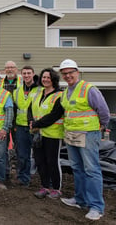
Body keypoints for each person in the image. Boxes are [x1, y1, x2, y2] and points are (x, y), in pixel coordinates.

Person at [32, 59, 110, 221]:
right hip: (71, 134)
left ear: (77, 72)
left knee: (91, 169)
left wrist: (102, 125)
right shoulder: (67, 92)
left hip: (88, 134)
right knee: (77, 168)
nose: (68, 76)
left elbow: (103, 110)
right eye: (65, 73)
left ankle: (96, 206)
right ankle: (80, 200)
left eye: (70, 73)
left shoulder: (88, 89)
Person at [29, 68, 64, 200]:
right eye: (43, 77)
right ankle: (44, 186)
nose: (45, 80)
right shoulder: (39, 94)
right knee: (40, 161)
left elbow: (54, 115)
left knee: (52, 161)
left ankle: (56, 188)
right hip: (38, 134)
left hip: (53, 134)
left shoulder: (59, 95)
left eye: (48, 77)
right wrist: (31, 122)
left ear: (53, 79)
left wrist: (37, 124)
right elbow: (30, 109)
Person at [13, 66, 39, 187]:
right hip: (20, 126)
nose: (27, 75)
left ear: (33, 74)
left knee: (37, 154)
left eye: (29, 73)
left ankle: (45, 181)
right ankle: (23, 178)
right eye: (24, 73)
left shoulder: (40, 90)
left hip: (35, 127)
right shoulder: (17, 91)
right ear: (21, 75)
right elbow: (14, 108)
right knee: (22, 155)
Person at [0, 61, 22, 178]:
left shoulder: (21, 82)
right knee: (4, 147)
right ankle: (6, 172)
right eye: (7, 67)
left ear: (16, 69)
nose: (9, 70)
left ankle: (20, 174)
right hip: (5, 118)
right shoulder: (0, 83)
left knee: (19, 148)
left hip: (19, 118)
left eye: (12, 67)